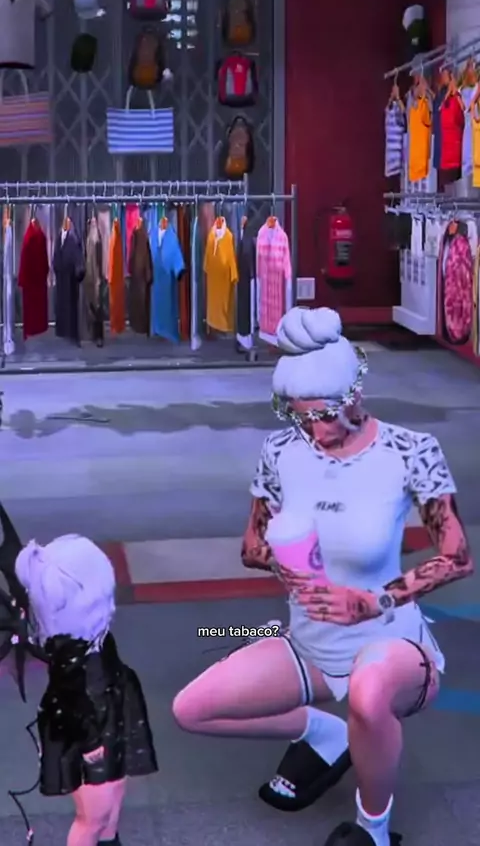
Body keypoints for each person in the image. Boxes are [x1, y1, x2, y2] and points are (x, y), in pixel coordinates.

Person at [172, 307, 473, 846]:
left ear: (354, 395)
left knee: (368, 692)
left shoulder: (410, 450)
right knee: (192, 709)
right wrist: (292, 568)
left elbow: (456, 556)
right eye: (300, 417)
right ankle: (325, 731)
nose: (314, 429)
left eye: (325, 415)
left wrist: (375, 600)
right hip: (310, 643)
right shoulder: (280, 451)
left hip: (389, 641)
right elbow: (252, 546)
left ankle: (373, 829)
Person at [15, 534, 158, 846]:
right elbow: (70, 705)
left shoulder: (87, 639)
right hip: (90, 730)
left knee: (113, 794)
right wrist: (91, 747)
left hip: (109, 711)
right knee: (94, 816)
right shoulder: (71, 656)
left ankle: (109, 840)